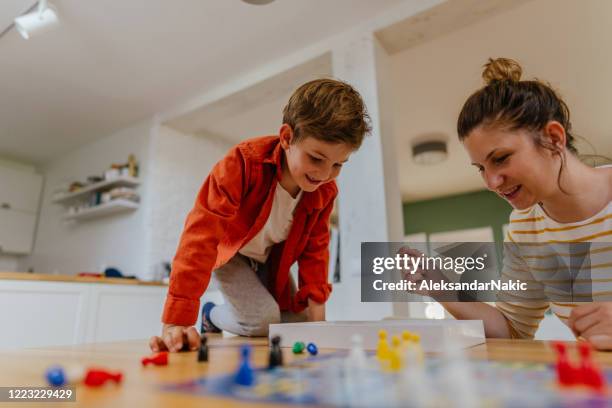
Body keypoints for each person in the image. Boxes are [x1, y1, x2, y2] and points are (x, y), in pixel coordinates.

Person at [149, 79, 371, 352]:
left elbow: (316, 249)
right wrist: (176, 322)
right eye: (316, 158)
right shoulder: (242, 163)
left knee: (296, 322)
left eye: (338, 164)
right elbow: (200, 235)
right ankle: (211, 314)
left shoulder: (325, 191)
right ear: (287, 138)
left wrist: (318, 323)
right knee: (262, 322)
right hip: (231, 256)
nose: (325, 175)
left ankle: (264, 316)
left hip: (270, 258)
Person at [405, 58, 612, 349]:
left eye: (500, 158)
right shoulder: (527, 228)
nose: (491, 182)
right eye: (481, 168)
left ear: (554, 138)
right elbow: (511, 329)